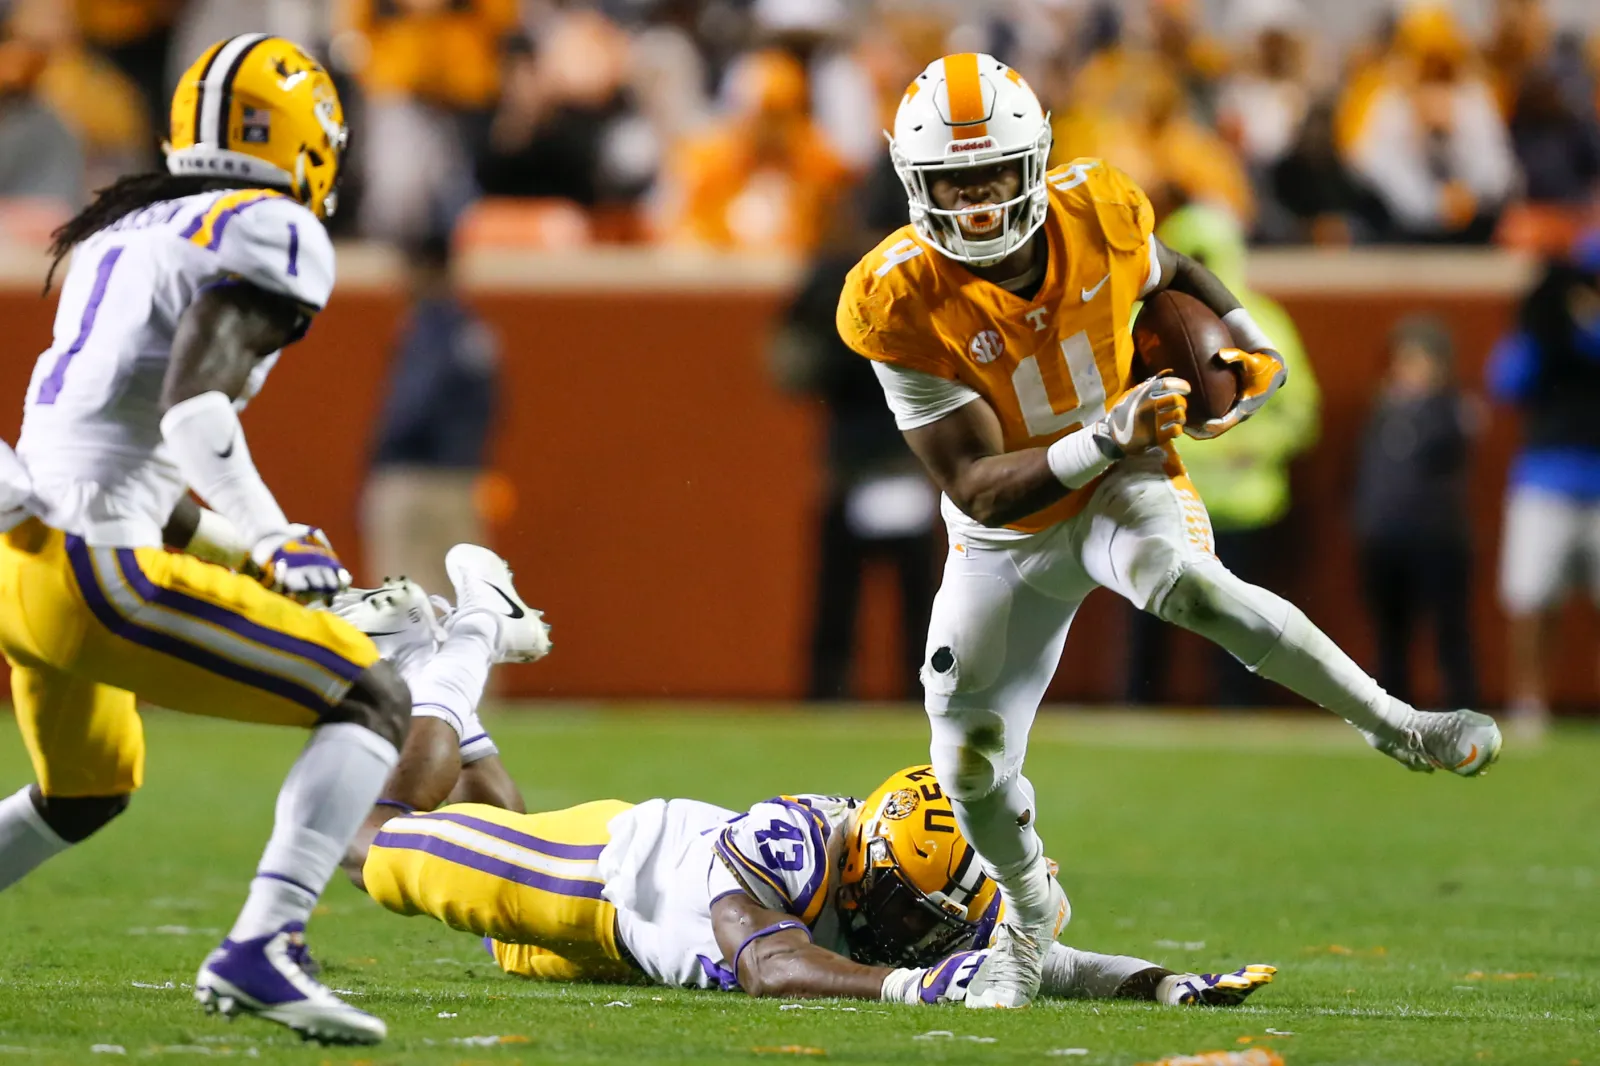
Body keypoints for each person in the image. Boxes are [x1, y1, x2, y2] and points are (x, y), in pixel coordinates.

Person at [835, 53, 1502, 1010]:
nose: (977, 204)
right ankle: (1028, 922)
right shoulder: (893, 297)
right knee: (967, 761)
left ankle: (1401, 725)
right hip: (1010, 532)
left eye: (992, 176)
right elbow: (978, 489)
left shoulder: (1098, 210)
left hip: (1124, 483)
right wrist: (1101, 435)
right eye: (955, 183)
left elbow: (1172, 270)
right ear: (916, 184)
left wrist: (1243, 335)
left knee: (1183, 582)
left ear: (1033, 163)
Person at [0, 36, 408, 1046]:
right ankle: (264, 942)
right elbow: (192, 410)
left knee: (84, 791)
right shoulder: (268, 226)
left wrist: (241, 549)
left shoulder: (125, 224)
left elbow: (123, 448)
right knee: (370, 696)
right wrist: (278, 533)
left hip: (23, 563)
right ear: (309, 139)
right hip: (95, 569)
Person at [330, 573, 1273, 1007]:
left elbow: (1035, 960)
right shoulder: (794, 849)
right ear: (866, 865)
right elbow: (770, 968)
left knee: (497, 912)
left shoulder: (921, 866)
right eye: (910, 913)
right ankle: (468, 639)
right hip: (594, 882)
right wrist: (911, 987)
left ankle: (427, 658)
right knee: (369, 839)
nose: (924, 933)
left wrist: (1158, 983)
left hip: (619, 933)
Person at [1122, 204, 1320, 707]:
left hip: (1241, 503)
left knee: (1239, 622)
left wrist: (1252, 448)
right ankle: (1139, 707)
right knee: (1148, 615)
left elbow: (1300, 414)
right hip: (1164, 493)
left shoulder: (1262, 323)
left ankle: (1238, 710)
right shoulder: (1136, 324)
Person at [773, 162, 935, 700]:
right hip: (911, 456)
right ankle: (927, 699)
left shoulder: (834, 276)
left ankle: (830, 693)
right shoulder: (927, 272)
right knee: (919, 604)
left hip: (861, 457)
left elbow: (791, 369)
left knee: (842, 598)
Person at [1488, 230, 1600, 732]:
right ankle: (1529, 707)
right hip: (1545, 483)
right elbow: (1505, 382)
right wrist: (1546, 331)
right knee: (1532, 602)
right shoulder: (1544, 329)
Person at [362, 234, 500, 600]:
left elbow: (413, 406)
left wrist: (385, 453)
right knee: (465, 599)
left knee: (405, 600)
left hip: (414, 479)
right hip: (459, 479)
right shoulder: (472, 331)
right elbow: (492, 408)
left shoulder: (426, 331)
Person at [1354, 316, 1478, 710]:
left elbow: (1447, 451)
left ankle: (1460, 705)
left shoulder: (1451, 410)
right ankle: (1392, 707)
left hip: (1435, 534)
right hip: (1384, 532)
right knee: (1390, 629)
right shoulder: (1383, 410)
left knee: (1448, 627)